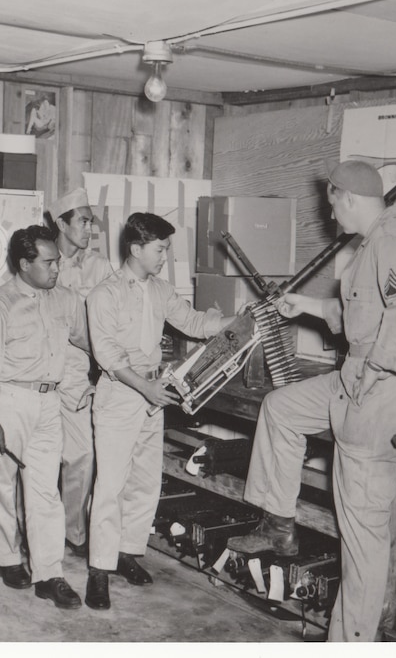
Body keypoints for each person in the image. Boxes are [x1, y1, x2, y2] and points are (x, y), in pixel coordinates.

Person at [226, 160, 396, 641]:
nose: (331, 212)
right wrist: (309, 306)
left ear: (350, 198)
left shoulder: (389, 241)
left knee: (362, 540)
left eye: (333, 201)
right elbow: (359, 311)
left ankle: (350, 642)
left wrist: (377, 367)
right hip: (357, 376)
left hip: (383, 389)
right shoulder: (371, 244)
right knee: (280, 408)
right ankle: (278, 521)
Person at [84, 212, 235, 610]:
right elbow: (109, 356)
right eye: (160, 249)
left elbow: (196, 323)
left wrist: (246, 320)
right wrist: (147, 389)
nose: (165, 256)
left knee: (146, 483)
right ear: (136, 249)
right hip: (122, 393)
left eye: (167, 248)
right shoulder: (105, 294)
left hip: (154, 394)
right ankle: (99, 570)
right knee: (111, 485)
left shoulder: (161, 290)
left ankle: (127, 554)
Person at [0, 225, 89, 609]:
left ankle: (49, 573)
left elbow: (87, 341)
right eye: (49, 262)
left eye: (58, 261)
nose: (57, 269)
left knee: (44, 491)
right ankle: (7, 558)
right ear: (24, 264)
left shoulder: (66, 300)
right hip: (6, 401)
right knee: (1, 485)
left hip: (48, 403)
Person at [48, 188, 113, 559]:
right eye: (83, 221)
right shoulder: (41, 259)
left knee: (82, 456)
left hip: (77, 376)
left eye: (91, 221)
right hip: (39, 371)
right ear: (61, 223)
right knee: (36, 462)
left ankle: (72, 533)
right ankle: (34, 532)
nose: (90, 228)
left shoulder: (100, 268)